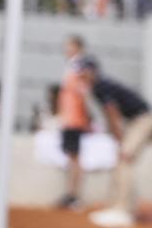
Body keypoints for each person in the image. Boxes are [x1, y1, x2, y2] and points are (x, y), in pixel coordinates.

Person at [77, 57, 152, 228]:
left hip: (141, 120)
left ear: (92, 71)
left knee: (124, 159)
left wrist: (119, 137)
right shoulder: (98, 86)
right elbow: (111, 114)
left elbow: (112, 112)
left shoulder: (101, 86)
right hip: (136, 121)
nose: (81, 75)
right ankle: (116, 207)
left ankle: (124, 211)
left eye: (83, 71)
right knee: (121, 161)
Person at [57, 35, 91, 209]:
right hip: (69, 118)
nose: (66, 49)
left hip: (75, 119)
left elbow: (83, 92)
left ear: (78, 48)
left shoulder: (79, 66)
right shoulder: (72, 65)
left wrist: (86, 116)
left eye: (69, 46)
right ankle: (70, 194)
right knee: (72, 157)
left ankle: (75, 196)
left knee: (75, 158)